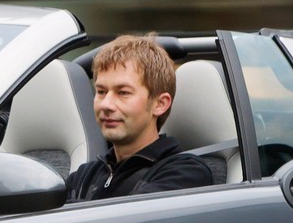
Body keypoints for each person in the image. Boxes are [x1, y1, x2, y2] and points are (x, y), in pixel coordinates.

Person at [64, 35, 213, 201]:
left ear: (160, 104)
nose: (106, 104)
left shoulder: (185, 173)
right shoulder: (84, 176)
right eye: (101, 92)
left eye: (123, 93)